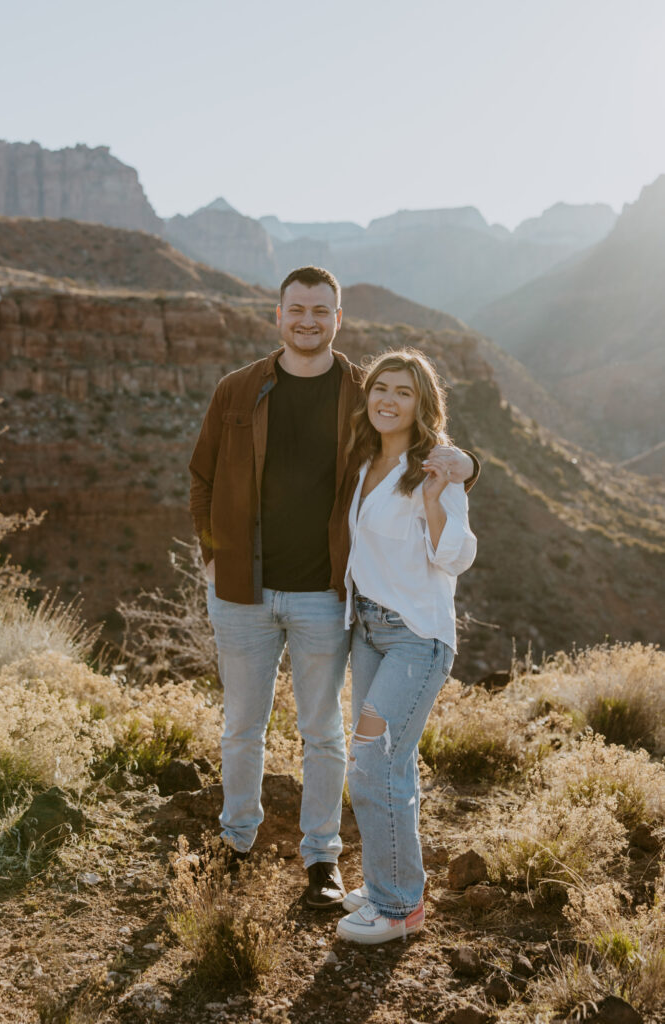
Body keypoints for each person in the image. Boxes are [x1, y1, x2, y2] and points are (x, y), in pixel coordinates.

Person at [189, 267, 478, 908]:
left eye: (321, 310)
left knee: (322, 732)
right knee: (242, 726)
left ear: (338, 318)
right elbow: (201, 476)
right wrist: (212, 557)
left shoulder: (360, 391)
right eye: (297, 309)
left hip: (325, 593)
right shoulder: (237, 390)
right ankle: (237, 838)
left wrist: (468, 465)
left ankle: (321, 858)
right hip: (242, 591)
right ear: (278, 315)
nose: (308, 321)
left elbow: (418, 437)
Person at [334, 348, 477, 944]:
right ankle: (388, 878)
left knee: (374, 763)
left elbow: (457, 557)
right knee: (386, 765)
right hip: (367, 634)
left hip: (414, 640)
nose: (388, 399)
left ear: (423, 405)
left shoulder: (432, 471)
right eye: (380, 388)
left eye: (404, 392)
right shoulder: (364, 459)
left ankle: (398, 909)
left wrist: (440, 496)